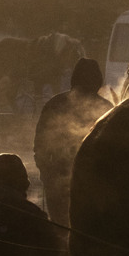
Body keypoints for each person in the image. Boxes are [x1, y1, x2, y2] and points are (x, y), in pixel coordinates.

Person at [33, 57, 113, 227]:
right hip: (93, 182)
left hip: (57, 178)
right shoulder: (106, 109)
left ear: (74, 78)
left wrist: (46, 171)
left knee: (60, 226)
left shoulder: (55, 104)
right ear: (98, 80)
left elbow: (41, 144)